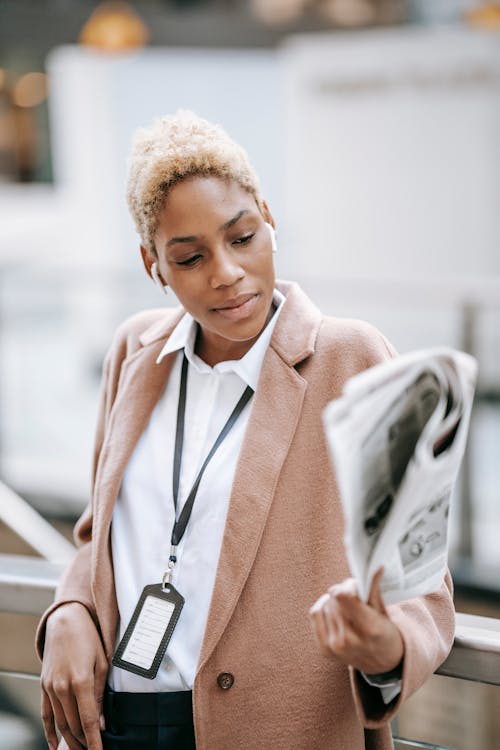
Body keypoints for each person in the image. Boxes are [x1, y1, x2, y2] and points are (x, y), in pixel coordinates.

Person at [37, 110, 455, 750]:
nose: (226, 272)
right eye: (190, 256)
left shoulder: (354, 358)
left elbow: (422, 582)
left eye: (242, 237)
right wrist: (69, 609)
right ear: (153, 265)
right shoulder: (133, 353)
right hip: (113, 724)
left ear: (269, 219)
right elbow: (98, 534)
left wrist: (386, 645)